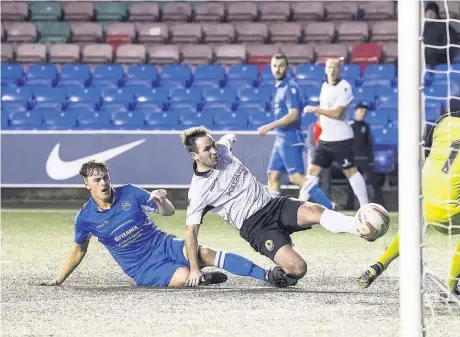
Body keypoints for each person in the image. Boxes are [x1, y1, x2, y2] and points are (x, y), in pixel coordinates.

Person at [180, 127, 381, 287]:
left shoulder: (222, 149)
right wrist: (195, 269)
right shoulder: (198, 191)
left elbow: (225, 140)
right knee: (298, 268)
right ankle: (277, 277)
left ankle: (359, 227)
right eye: (207, 149)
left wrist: (229, 137)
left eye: (213, 145)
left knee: (315, 211)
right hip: (256, 227)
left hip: (273, 205)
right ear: (193, 155)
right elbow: (191, 231)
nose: (214, 151)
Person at [39, 160, 290, 288]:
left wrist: (161, 202)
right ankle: (201, 278)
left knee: (204, 252)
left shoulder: (129, 192)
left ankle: (268, 275)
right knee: (184, 277)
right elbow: (78, 249)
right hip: (142, 268)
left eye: (105, 178)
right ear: (86, 184)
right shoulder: (85, 218)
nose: (103, 184)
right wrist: (59, 279)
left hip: (164, 245)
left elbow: (168, 213)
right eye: (96, 180)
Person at [357, 112, 460, 302]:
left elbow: (427, 153)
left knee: (414, 222)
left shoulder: (443, 120)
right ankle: (452, 287)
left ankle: (379, 264)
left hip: (425, 197)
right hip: (452, 211)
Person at [256, 54, 334, 208]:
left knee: (297, 178)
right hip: (280, 138)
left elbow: (294, 115)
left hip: (290, 138)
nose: (278, 69)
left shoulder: (290, 87)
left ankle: (330, 206)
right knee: (273, 175)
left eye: (281, 66)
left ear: (287, 68)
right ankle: (272, 213)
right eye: (274, 66)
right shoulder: (279, 88)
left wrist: (268, 126)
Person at [303, 58, 369, 210]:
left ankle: (366, 207)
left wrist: (316, 109)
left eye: (335, 68)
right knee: (313, 171)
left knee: (350, 171)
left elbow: (338, 113)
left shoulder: (344, 87)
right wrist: (319, 122)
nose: (331, 70)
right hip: (325, 139)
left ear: (340, 69)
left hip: (341, 139)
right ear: (325, 69)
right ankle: (300, 205)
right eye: (329, 67)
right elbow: (325, 107)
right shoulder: (325, 86)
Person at [345, 104, 384, 209]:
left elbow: (369, 143)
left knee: (373, 181)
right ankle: (349, 205)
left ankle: (378, 204)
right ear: (356, 111)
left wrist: (370, 158)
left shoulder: (365, 126)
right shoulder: (350, 125)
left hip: (364, 159)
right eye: (361, 111)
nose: (363, 114)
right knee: (352, 183)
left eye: (364, 112)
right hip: (353, 159)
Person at [423, 1, 460, 68]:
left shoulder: (443, 25)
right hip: (424, 56)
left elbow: (451, 43)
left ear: (436, 13)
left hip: (440, 56)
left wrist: (437, 52)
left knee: (432, 58)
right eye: (428, 12)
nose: (430, 15)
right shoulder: (420, 27)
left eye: (432, 12)